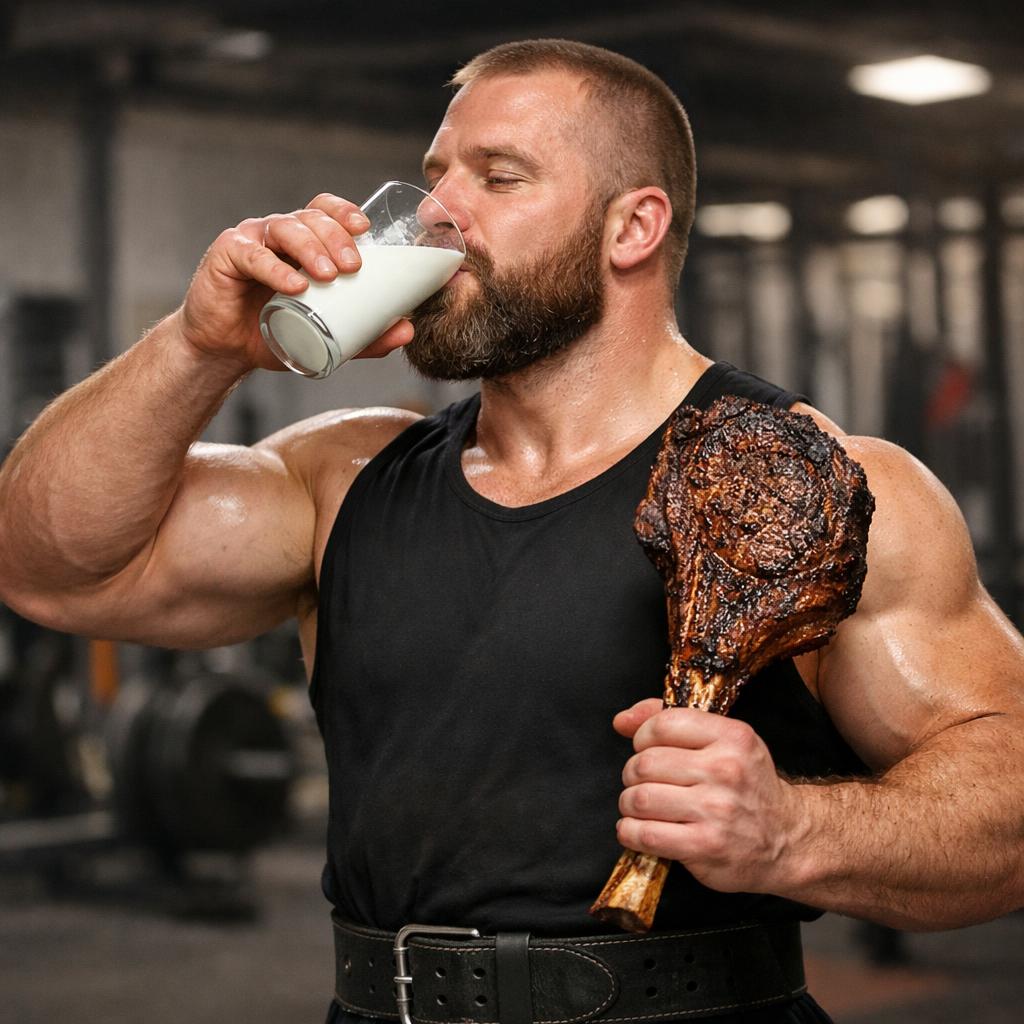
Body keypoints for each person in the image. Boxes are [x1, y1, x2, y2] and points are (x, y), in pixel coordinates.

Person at [1, 37, 1023, 1024]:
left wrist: (795, 832)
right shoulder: (346, 476)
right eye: (434, 175)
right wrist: (197, 347)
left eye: (498, 176)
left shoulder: (812, 481)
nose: (440, 212)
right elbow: (47, 564)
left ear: (633, 228)